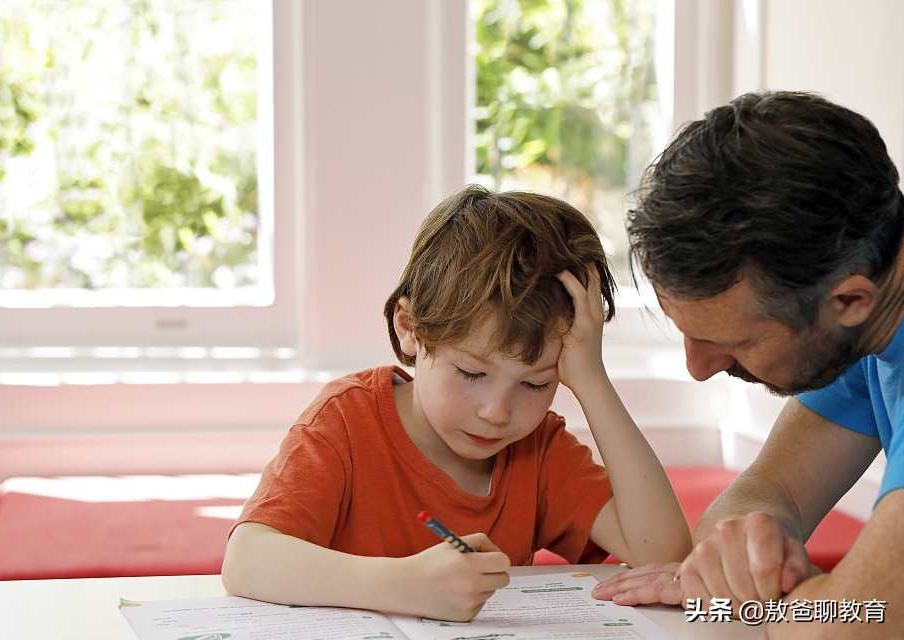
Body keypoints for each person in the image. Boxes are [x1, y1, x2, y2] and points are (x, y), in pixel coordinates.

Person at [222, 185, 690, 622]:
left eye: (535, 384)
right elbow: (247, 560)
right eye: (471, 373)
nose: (496, 412)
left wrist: (593, 382)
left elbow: (663, 554)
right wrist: (402, 585)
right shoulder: (348, 418)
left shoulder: (539, 449)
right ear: (410, 328)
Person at [590, 91, 904, 635]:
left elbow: (851, 625)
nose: (698, 368)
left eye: (733, 343)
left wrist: (763, 600)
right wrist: (741, 555)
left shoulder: (855, 307)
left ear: (850, 302)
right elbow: (766, 495)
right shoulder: (865, 312)